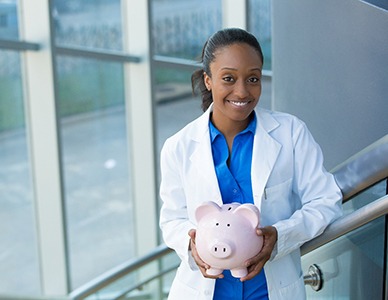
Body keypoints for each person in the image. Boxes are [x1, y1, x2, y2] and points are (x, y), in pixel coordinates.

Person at [159, 28, 343, 300]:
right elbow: (171, 218)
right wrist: (192, 245)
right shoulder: (179, 146)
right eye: (228, 78)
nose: (242, 91)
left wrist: (280, 236)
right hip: (203, 290)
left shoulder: (291, 133)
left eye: (253, 78)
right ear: (208, 80)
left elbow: (326, 200)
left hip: (270, 290)